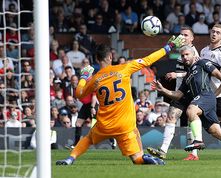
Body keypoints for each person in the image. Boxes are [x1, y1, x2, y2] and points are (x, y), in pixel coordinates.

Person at [56, 35, 185, 165]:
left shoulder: (95, 79)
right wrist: (169, 47)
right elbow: (148, 60)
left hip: (105, 125)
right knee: (137, 159)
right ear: (110, 57)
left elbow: (79, 94)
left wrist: (84, 77)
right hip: (124, 125)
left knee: (88, 138)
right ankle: (144, 158)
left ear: (97, 59)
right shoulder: (124, 68)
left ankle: (70, 159)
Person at [152, 45, 221, 160]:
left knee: (190, 110)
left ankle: (198, 140)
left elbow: (219, 75)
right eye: (182, 56)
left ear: (193, 54)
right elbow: (178, 95)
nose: (185, 57)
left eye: (187, 54)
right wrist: (163, 90)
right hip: (203, 101)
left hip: (206, 96)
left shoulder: (202, 63)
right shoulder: (187, 76)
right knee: (216, 132)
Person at [147, 26, 201, 161]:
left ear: (192, 38)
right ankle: (163, 150)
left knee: (191, 122)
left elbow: (196, 72)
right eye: (181, 35)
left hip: (191, 93)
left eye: (186, 35)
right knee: (171, 117)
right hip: (179, 93)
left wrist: (176, 75)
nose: (182, 37)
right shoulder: (181, 51)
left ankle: (194, 154)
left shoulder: (193, 53)